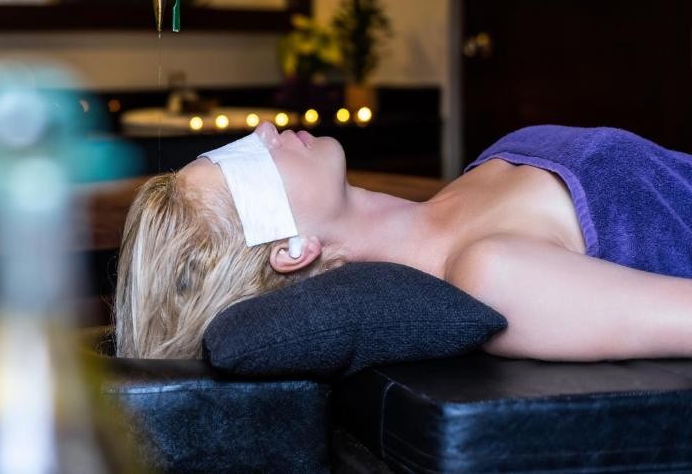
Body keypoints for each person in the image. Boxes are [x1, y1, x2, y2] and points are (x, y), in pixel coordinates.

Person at [114, 121, 692, 361]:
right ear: (291, 249)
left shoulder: (455, 196)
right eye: (245, 163)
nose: (263, 129)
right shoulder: (494, 272)